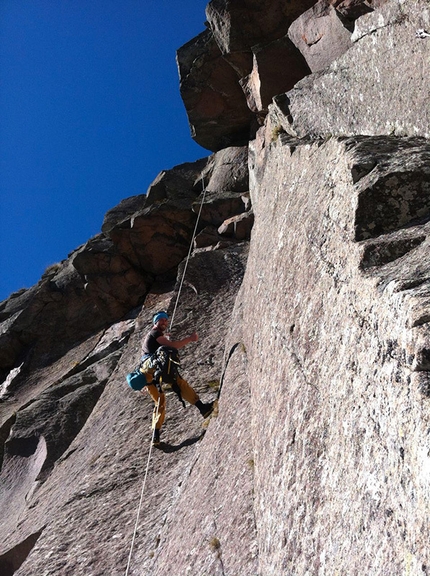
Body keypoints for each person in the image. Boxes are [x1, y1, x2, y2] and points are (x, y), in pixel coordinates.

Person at [140, 310, 214, 445]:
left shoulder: (152, 337)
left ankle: (155, 436)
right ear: (155, 322)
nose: (164, 322)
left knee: (161, 400)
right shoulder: (155, 333)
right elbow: (174, 346)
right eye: (161, 319)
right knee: (179, 384)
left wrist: (164, 339)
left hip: (148, 373)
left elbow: (156, 348)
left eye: (165, 320)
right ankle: (202, 408)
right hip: (156, 370)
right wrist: (190, 339)